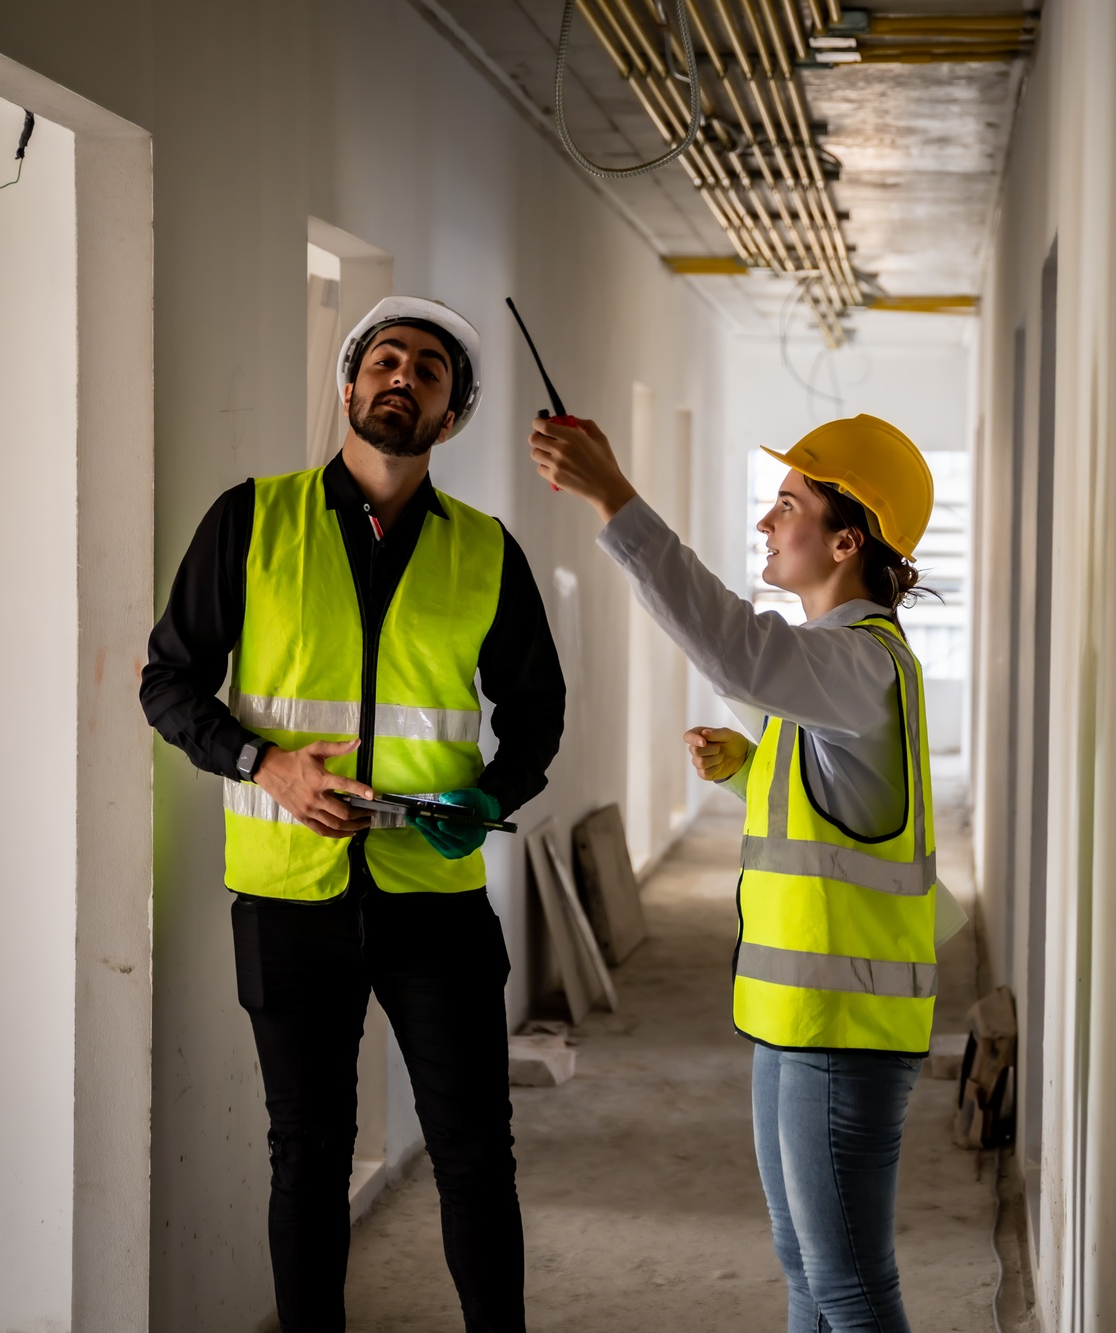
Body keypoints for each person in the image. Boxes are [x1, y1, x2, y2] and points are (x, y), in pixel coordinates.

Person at [142, 297, 563, 1333]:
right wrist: (264, 764)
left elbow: (538, 714)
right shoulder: (252, 518)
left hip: (436, 902)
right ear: (348, 385)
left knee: (472, 1151)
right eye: (386, 358)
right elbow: (168, 682)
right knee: (309, 1156)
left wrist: (492, 797)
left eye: (428, 372)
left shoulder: (485, 551)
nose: (403, 377)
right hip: (290, 901)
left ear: (449, 416)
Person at [528, 410, 961, 1333]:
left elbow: (734, 645)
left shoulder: (858, 662)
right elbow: (849, 810)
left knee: (846, 1285)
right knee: (807, 1268)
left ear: (846, 540)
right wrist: (751, 768)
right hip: (801, 1019)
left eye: (788, 504)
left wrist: (615, 498)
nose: (767, 524)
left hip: (841, 1027)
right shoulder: (849, 667)